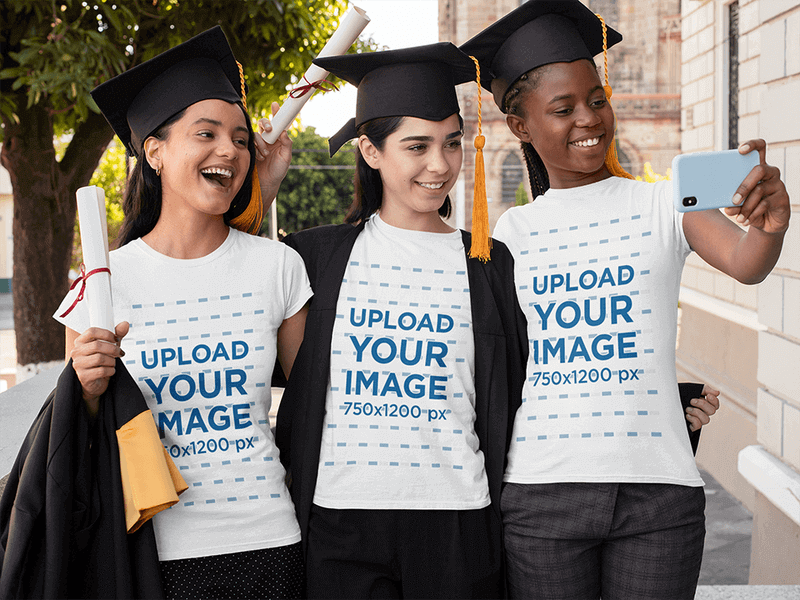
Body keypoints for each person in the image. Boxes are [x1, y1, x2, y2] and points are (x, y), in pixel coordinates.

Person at [461, 1, 790, 598]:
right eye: (562, 109)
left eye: (596, 99)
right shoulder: (509, 235)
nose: (588, 118)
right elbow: (500, 364)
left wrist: (769, 227)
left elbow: (746, 264)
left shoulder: (664, 204)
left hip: (656, 496)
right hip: (541, 495)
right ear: (521, 127)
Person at [54, 26, 311, 600]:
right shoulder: (102, 283)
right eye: (207, 134)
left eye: (242, 139)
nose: (230, 150)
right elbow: (76, 427)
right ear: (155, 150)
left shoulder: (278, 267)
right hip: (150, 549)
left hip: (268, 541)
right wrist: (87, 386)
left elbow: (313, 401)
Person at [275, 42, 528, 599]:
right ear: (370, 150)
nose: (440, 165)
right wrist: (265, 186)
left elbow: (524, 386)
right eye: (417, 146)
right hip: (342, 516)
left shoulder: (488, 264)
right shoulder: (313, 258)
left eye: (452, 143)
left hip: (457, 518)